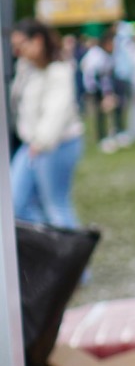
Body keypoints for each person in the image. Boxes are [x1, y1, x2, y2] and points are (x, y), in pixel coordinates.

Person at [10, 19, 84, 229]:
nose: (17, 51)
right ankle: (46, 242)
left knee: (56, 206)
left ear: (38, 41)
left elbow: (57, 111)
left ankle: (69, 249)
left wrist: (40, 143)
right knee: (16, 204)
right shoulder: (25, 68)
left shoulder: (59, 70)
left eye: (21, 45)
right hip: (31, 144)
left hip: (58, 144)